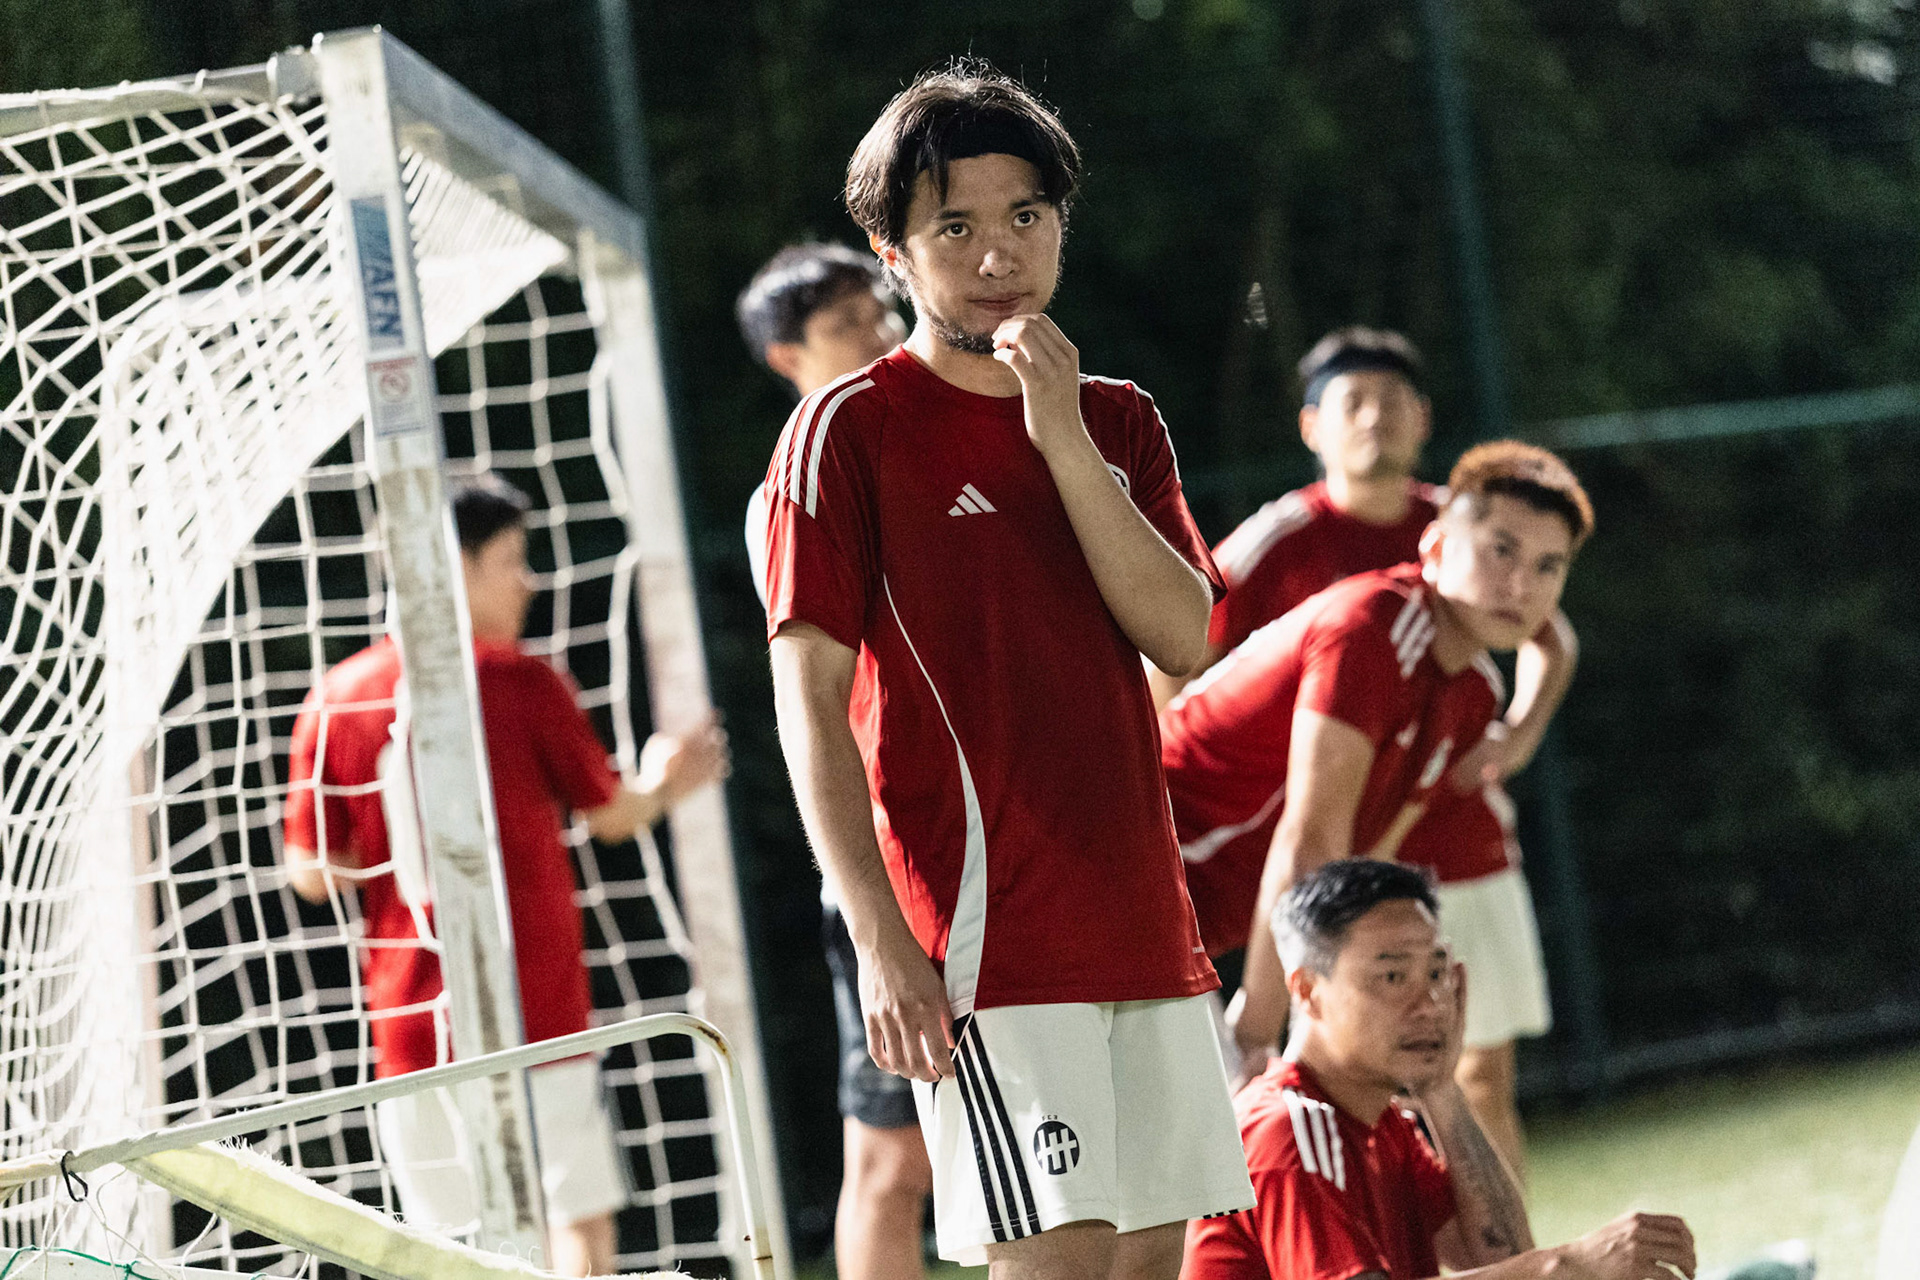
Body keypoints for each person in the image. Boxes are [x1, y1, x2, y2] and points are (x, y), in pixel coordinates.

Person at [763, 63, 1253, 1280]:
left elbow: (1185, 637)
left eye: (1025, 217)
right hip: (987, 946)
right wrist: (880, 935)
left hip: (1147, 925)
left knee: (1148, 1269)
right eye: (956, 228)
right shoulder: (847, 430)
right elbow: (808, 705)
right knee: (1056, 1269)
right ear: (892, 251)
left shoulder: (1120, 419)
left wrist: (1060, 433)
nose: (998, 255)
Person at [281, 476, 729, 1278]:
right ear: (450, 566)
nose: (530, 580)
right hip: (537, 1010)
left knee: (444, 1256)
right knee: (576, 1225)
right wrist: (667, 778)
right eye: (511, 560)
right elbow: (612, 815)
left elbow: (313, 873)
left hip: (412, 1022)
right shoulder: (516, 680)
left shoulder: (334, 699)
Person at [1152, 328, 1574, 1177]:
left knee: (1447, 1082)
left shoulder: (1460, 686)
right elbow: (1305, 833)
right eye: (1500, 555)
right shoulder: (1359, 613)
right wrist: (1257, 1021)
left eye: (1548, 566)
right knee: (1174, 1174)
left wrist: (1516, 738)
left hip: (1279, 891)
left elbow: (1341, 851)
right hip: (1149, 890)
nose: (1520, 583)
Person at [1181, 857, 1698, 1280]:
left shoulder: (1383, 1124)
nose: (1428, 1002)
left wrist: (1442, 1092)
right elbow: (1533, 1270)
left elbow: (1502, 1254)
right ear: (1309, 991)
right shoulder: (1287, 1128)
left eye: (1434, 971)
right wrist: (1568, 1266)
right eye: (1392, 976)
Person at [737, 243, 928, 1280]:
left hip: (1000, 832)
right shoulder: (795, 491)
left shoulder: (943, 431)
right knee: (891, 1155)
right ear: (785, 356)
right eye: (842, 322)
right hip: (890, 854)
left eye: (876, 309)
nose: (875, 330)